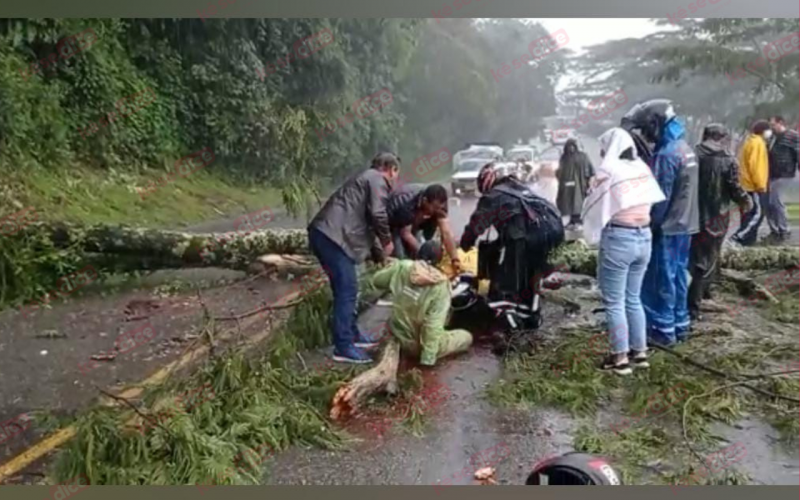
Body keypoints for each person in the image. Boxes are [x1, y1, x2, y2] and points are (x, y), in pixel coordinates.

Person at [582, 128, 665, 375]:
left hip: (619, 238)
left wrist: (591, 188)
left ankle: (619, 358)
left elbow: (594, 205)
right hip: (644, 238)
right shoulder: (642, 169)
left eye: (604, 147)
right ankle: (640, 353)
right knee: (633, 297)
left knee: (614, 302)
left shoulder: (610, 171)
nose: (601, 152)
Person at [307, 152, 399, 364]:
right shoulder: (377, 179)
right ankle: (343, 346)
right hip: (333, 238)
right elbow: (377, 215)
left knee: (346, 289)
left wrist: (378, 254)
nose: (394, 179)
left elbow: (366, 222)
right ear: (390, 169)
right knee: (347, 290)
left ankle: (352, 333)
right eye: (395, 173)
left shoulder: (365, 179)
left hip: (325, 235)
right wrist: (387, 242)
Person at [621, 99, 699, 347]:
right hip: (686, 225)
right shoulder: (685, 148)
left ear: (655, 125)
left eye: (646, 129)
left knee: (661, 278)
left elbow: (659, 197)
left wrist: (647, 225)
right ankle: (680, 324)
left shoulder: (666, 155)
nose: (645, 136)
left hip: (667, 228)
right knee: (677, 275)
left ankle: (663, 331)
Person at [460, 163, 564, 332]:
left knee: (506, 283)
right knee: (531, 278)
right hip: (553, 234)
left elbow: (477, 225)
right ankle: (531, 317)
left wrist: (465, 244)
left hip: (528, 238)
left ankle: (512, 327)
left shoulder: (494, 196)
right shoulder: (521, 189)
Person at [370, 241, 473, 367]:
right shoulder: (440, 285)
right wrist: (427, 360)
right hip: (417, 344)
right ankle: (428, 353)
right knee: (466, 337)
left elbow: (377, 281)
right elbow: (432, 326)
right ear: (438, 261)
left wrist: (394, 272)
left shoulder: (402, 267)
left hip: (397, 333)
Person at [687, 124, 751, 322]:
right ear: (721, 138)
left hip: (691, 214)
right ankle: (694, 305)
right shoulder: (728, 159)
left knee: (694, 258)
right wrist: (745, 200)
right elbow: (734, 187)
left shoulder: (691, 156)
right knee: (707, 258)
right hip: (718, 215)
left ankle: (700, 294)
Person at [386, 183, 461, 272]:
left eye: (439, 207)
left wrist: (454, 258)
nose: (438, 210)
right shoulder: (407, 203)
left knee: (423, 248)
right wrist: (423, 252)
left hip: (416, 217)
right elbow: (406, 233)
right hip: (394, 221)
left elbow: (446, 233)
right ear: (425, 201)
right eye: (435, 207)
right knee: (401, 257)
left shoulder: (440, 206)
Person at [731, 120, 771, 247]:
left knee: (748, 213)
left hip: (747, 184)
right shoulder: (757, 143)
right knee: (757, 214)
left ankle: (748, 240)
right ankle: (738, 236)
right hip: (754, 186)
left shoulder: (750, 141)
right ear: (763, 131)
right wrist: (760, 185)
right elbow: (756, 166)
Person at [764, 116, 799, 244]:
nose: (771, 127)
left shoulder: (792, 136)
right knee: (768, 203)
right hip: (772, 174)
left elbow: (798, 152)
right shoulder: (772, 137)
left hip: (785, 174)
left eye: (773, 125)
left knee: (775, 201)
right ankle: (775, 230)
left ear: (781, 123)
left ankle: (784, 230)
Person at [557, 139, 595, 230]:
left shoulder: (582, 157)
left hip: (579, 185)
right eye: (569, 146)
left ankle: (578, 221)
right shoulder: (565, 158)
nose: (571, 148)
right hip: (568, 185)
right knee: (569, 203)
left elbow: (591, 172)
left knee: (577, 202)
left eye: (572, 146)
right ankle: (573, 221)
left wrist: (590, 184)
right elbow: (560, 172)